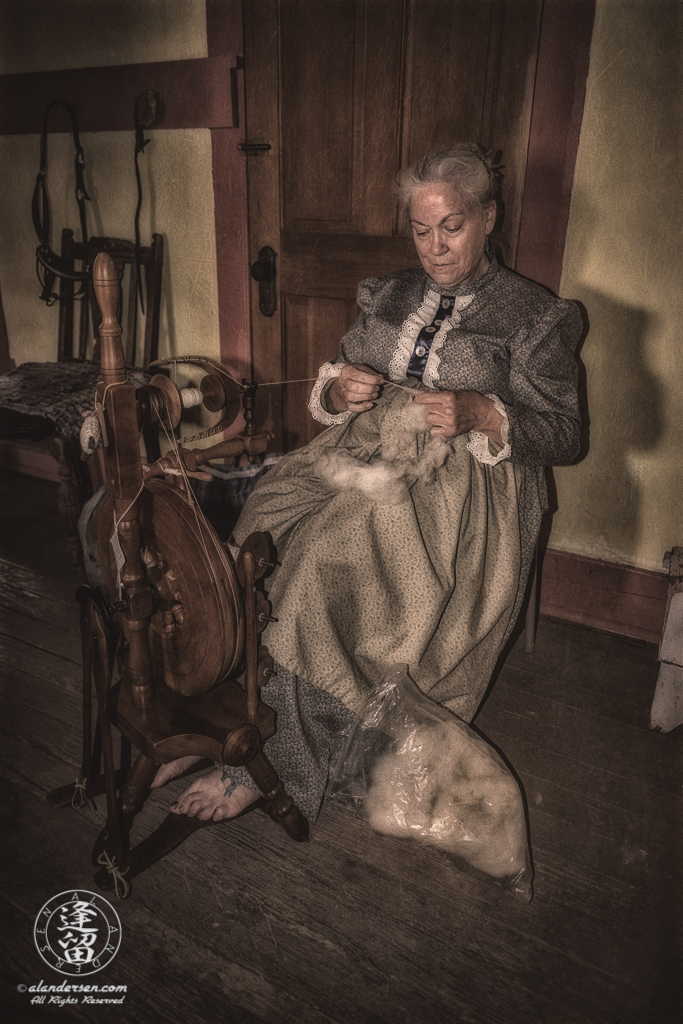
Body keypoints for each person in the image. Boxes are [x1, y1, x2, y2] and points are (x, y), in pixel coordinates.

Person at [155, 144, 582, 823]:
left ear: (487, 217)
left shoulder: (535, 315)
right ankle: (220, 720)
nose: (435, 247)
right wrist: (340, 390)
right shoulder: (387, 293)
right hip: (365, 445)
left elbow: (565, 433)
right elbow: (338, 379)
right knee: (254, 531)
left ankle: (276, 766)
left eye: (452, 226)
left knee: (324, 562)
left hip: (460, 476)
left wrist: (479, 409)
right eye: (420, 229)